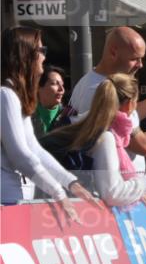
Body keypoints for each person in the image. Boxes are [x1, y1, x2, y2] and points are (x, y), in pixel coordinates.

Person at [1, 27, 95, 217]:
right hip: (6, 200)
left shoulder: (13, 95)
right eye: (41, 51)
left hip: (15, 198)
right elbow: (19, 154)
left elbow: (34, 149)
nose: (44, 56)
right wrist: (59, 192)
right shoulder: (6, 95)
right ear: (25, 54)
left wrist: (70, 182)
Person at [68, 27, 146, 174]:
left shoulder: (88, 82)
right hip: (119, 186)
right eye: (134, 59)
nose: (140, 64)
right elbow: (143, 145)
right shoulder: (102, 89)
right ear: (113, 52)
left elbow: (124, 117)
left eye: (142, 58)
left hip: (119, 183)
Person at [43, 74, 146, 207]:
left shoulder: (78, 122)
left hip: (43, 207)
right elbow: (113, 194)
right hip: (77, 216)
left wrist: (140, 189)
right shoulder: (105, 137)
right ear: (129, 105)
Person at [31, 65, 67, 137]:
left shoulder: (68, 115)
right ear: (38, 87)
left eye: (62, 84)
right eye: (54, 84)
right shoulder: (26, 114)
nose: (62, 90)